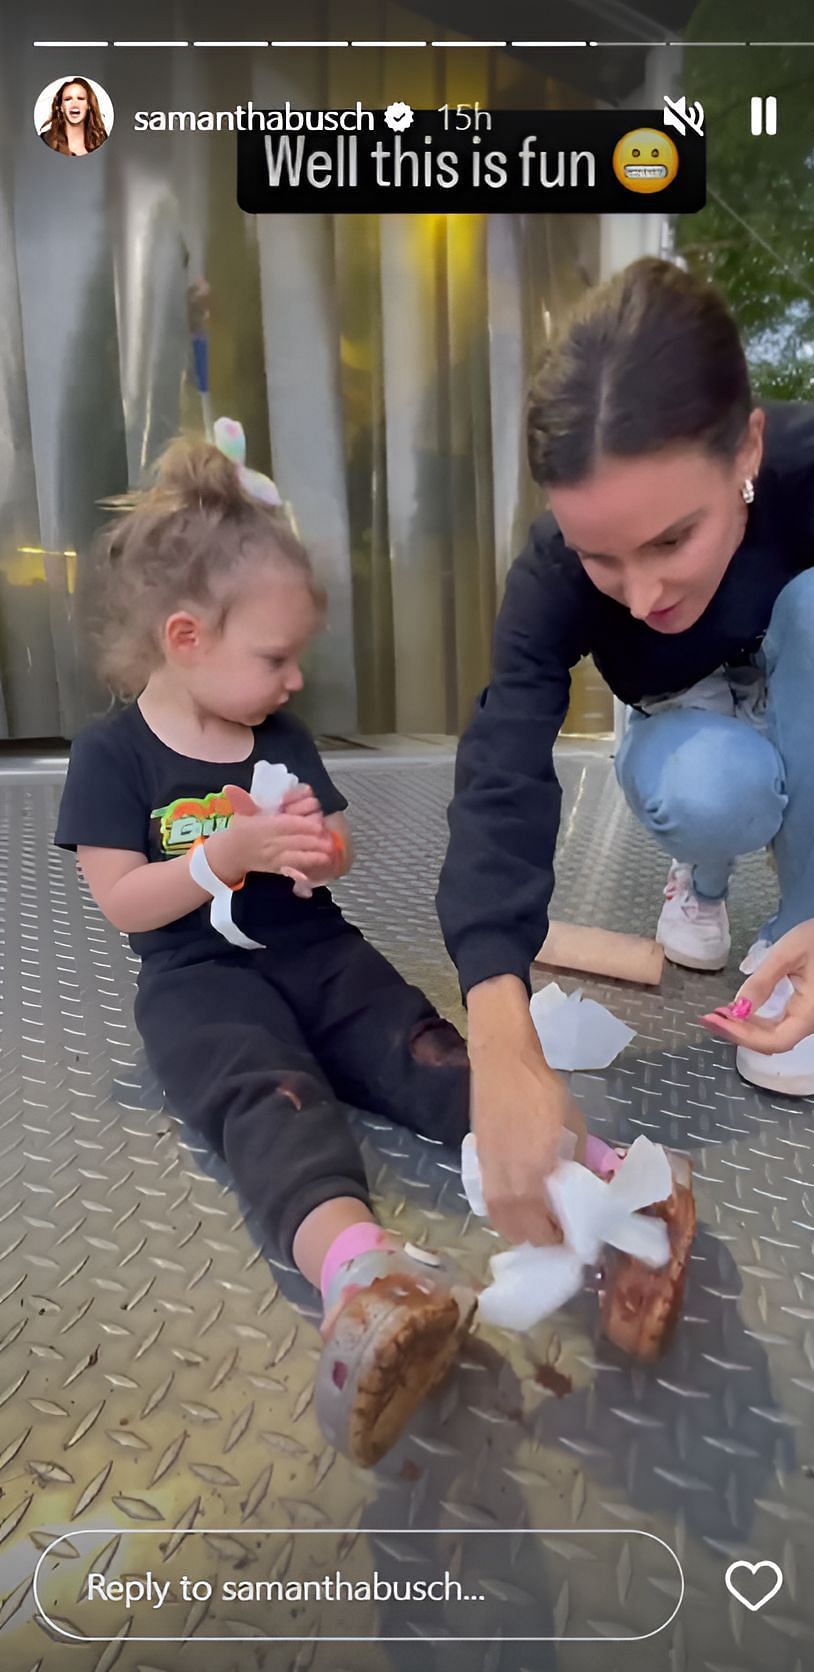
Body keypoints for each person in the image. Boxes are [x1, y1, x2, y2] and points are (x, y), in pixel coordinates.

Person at [437, 255, 814, 1251]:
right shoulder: (551, 570)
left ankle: (796, 937)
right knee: (716, 784)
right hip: (679, 717)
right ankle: (695, 875)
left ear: (746, 442)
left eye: (672, 538)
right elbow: (501, 770)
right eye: (598, 554)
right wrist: (498, 1033)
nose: (638, 593)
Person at [54, 433, 485, 1468]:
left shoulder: (276, 735)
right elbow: (122, 901)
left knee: (415, 1042)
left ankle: (553, 1162)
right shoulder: (112, 756)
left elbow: (327, 847)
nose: (293, 679)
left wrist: (316, 853)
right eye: (274, 658)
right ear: (187, 636)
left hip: (315, 951)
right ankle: (358, 1274)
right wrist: (222, 856)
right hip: (196, 981)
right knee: (273, 1102)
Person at [40, 77, 109, 156]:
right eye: (68, 99)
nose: (74, 104)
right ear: (61, 107)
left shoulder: (101, 141)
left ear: (89, 105)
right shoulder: (46, 140)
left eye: (80, 98)